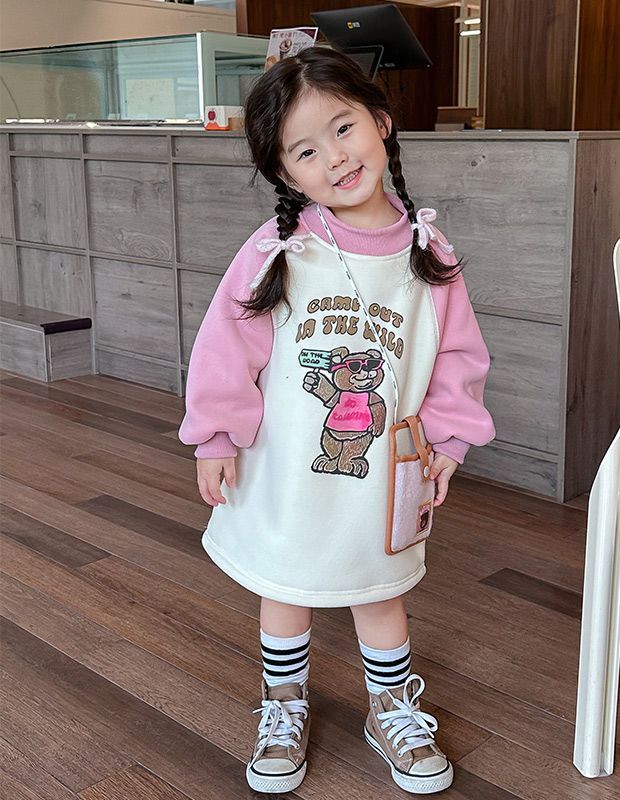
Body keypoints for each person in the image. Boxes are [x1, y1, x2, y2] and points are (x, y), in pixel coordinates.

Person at [178, 46, 495, 795]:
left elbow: (457, 359)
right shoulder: (280, 251)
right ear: (288, 175)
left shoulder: (428, 256)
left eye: (344, 128)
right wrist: (215, 435)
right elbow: (227, 347)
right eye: (306, 151)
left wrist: (449, 441)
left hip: (385, 473)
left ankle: (390, 709)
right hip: (289, 469)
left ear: (381, 122)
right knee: (287, 584)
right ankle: (284, 705)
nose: (336, 158)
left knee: (379, 587)